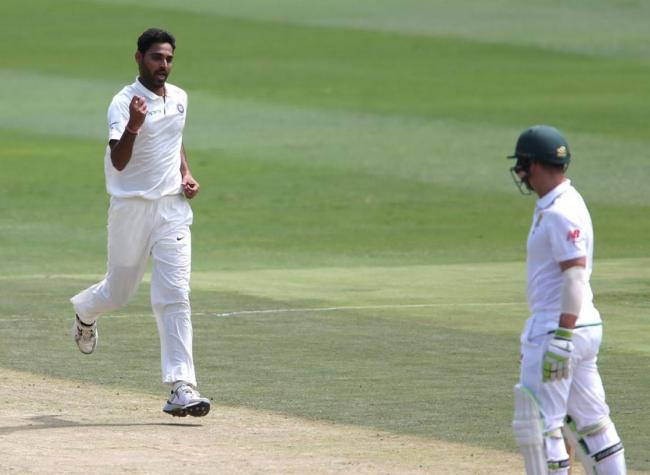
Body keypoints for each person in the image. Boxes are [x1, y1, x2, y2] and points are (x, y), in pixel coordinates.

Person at [70, 28, 209, 418]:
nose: (163, 65)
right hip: (130, 208)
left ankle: (182, 386)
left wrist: (185, 173)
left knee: (175, 294)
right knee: (118, 293)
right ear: (139, 58)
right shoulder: (123, 103)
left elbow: (173, 138)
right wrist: (134, 125)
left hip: (171, 209)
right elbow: (118, 162)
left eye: (168, 58)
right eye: (156, 57)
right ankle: (86, 313)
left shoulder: (179, 98)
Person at [508, 125, 625, 474]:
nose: (520, 172)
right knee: (592, 424)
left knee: (540, 426)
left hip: (560, 326)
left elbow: (574, 274)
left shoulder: (560, 211)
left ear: (535, 164)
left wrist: (559, 336)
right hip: (579, 325)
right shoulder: (564, 202)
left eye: (523, 164)